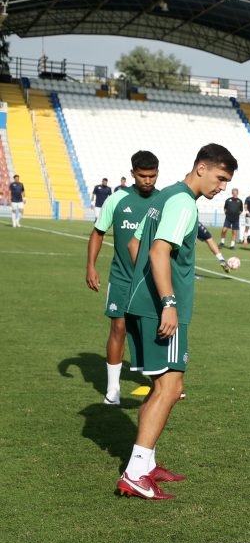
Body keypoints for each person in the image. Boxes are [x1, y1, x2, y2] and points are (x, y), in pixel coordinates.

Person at [117, 143, 236, 500]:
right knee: (169, 388)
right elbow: (157, 251)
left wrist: (143, 284)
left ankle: (147, 463)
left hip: (144, 303)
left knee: (166, 385)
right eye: (220, 178)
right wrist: (167, 301)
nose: (223, 187)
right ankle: (136, 473)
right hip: (161, 309)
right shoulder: (183, 201)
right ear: (201, 168)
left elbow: (135, 243)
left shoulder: (165, 195)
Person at [85, 151, 159, 405]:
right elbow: (98, 233)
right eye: (142, 176)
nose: (148, 180)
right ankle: (113, 389)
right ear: (132, 174)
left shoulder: (163, 201)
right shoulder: (117, 199)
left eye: (152, 176)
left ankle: (158, 385)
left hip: (150, 281)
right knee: (118, 328)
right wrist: (91, 266)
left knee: (152, 331)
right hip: (121, 278)